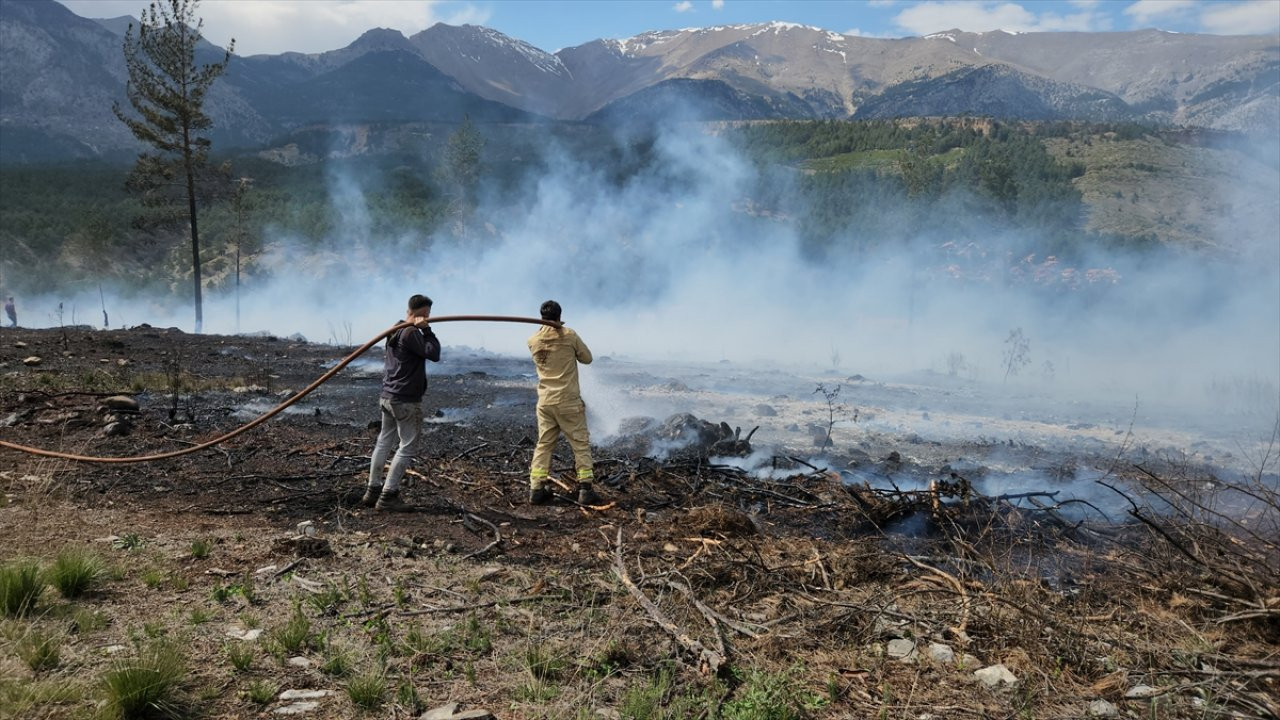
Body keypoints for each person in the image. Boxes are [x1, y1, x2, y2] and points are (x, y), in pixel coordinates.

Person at [363, 294, 441, 512]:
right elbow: (433, 353)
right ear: (422, 314)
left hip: (388, 396)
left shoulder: (395, 329)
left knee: (384, 442)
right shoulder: (410, 333)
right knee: (407, 446)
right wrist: (426, 330)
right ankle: (388, 495)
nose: (429, 317)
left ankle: (373, 490)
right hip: (404, 400)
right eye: (427, 314)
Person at [527, 300, 601, 505]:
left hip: (545, 401)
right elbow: (587, 358)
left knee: (544, 444)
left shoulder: (533, 340)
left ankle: (536, 488)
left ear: (541, 317)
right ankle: (585, 488)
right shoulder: (569, 335)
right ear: (559, 317)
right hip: (568, 400)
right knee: (580, 443)